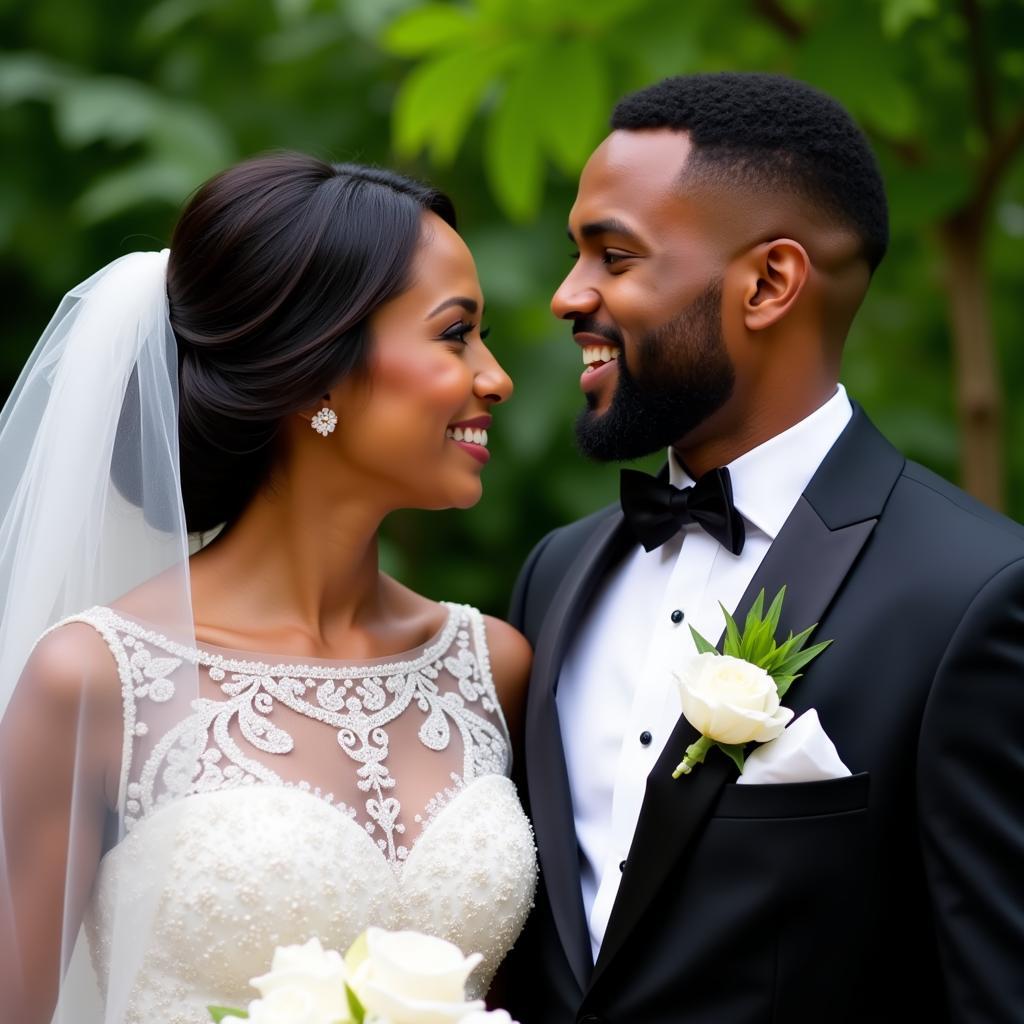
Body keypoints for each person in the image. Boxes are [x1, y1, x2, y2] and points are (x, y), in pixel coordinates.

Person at [506, 72, 1024, 1023]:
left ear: (769, 282)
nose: (565, 296)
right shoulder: (554, 575)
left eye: (613, 256)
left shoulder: (975, 595)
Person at [0, 152, 537, 1024]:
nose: (496, 376)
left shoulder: (492, 666)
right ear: (317, 368)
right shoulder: (96, 679)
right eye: (455, 333)